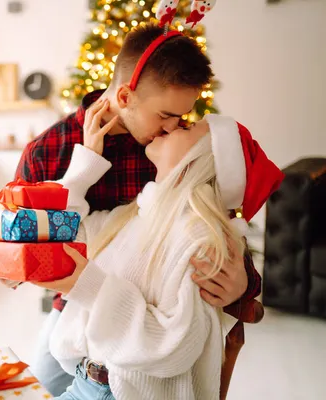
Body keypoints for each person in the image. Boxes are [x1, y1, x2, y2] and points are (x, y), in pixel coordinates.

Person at [12, 24, 261, 396]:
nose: (174, 127)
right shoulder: (48, 152)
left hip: (139, 349)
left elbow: (216, 228)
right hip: (78, 314)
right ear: (125, 96)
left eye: (181, 118)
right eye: (165, 116)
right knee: (40, 384)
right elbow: (28, 244)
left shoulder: (180, 153)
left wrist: (243, 286)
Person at [31, 106, 283, 400]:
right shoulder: (129, 217)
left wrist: (88, 286)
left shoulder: (200, 240)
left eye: (188, 129)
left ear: (202, 160)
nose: (173, 126)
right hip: (84, 382)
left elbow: (175, 346)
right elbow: (61, 233)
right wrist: (86, 164)